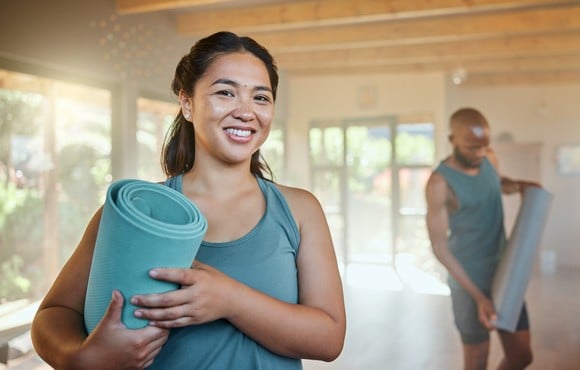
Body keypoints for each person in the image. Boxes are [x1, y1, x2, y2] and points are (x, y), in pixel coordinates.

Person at [31, 31, 346, 370]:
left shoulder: (300, 210)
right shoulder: (135, 212)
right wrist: (81, 357)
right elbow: (52, 315)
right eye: (226, 92)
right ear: (187, 103)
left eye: (261, 98)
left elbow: (329, 338)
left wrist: (230, 300)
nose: (246, 111)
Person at [425, 107, 539, 370]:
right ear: (452, 140)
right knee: (477, 361)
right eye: (471, 147)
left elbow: (498, 184)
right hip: (467, 282)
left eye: (484, 145)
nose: (479, 153)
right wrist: (479, 298)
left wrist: (521, 185)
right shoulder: (439, 184)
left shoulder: (489, 158)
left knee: (522, 356)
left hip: (503, 273)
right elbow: (440, 248)